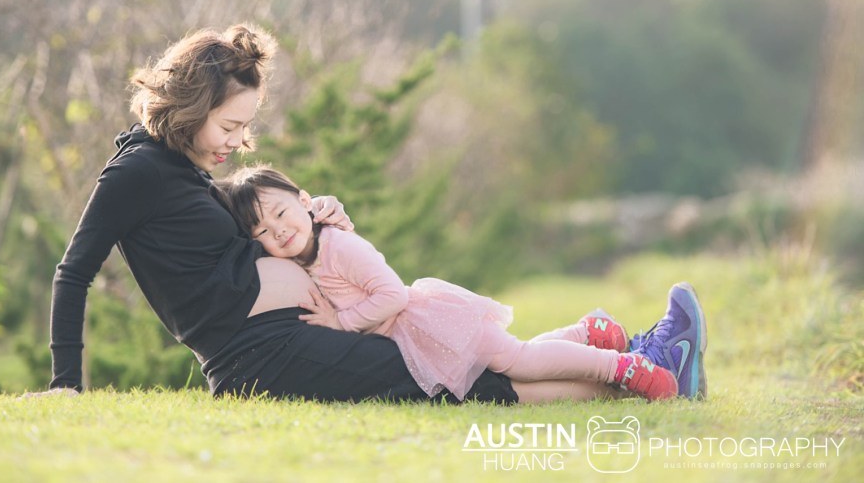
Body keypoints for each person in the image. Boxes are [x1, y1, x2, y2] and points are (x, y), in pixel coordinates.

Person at [31, 22, 706, 404]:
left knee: (447, 353)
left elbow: (256, 239)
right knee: (451, 385)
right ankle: (652, 369)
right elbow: (74, 271)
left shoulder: (185, 168)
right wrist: (66, 382)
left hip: (295, 334)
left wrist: (316, 217)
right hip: (259, 360)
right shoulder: (135, 172)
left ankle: (613, 348)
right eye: (232, 125)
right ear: (193, 104)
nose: (240, 141)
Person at [215, 166, 709, 402]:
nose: (277, 230)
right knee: (512, 358)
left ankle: (625, 367)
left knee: (519, 361)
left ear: (303, 200)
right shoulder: (305, 253)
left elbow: (394, 295)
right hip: (418, 336)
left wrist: (339, 321)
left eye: (281, 213)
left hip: (429, 320)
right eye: (262, 232)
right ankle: (588, 335)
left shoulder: (341, 246)